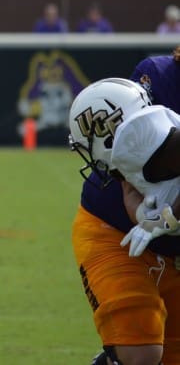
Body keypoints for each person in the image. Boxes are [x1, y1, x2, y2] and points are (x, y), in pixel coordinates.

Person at [68, 46, 180, 365]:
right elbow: (126, 168)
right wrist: (147, 216)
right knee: (140, 352)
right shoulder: (158, 77)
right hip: (115, 230)